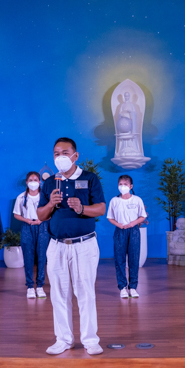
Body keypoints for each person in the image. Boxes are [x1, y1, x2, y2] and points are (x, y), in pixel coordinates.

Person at [37, 138, 106, 355]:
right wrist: (50, 203)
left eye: (65, 153)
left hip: (84, 245)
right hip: (57, 245)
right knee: (59, 294)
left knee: (85, 292)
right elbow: (40, 215)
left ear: (76, 156)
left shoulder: (89, 178)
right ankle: (63, 339)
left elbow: (101, 209)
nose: (60, 157)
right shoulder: (49, 183)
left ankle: (90, 340)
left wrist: (82, 208)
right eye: (56, 153)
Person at [106, 175, 147, 298]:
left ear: (131, 186)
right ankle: (122, 287)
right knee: (120, 260)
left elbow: (142, 216)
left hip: (133, 231)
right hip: (120, 231)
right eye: (120, 184)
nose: (122, 186)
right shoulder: (114, 201)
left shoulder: (137, 200)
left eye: (125, 184)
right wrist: (119, 224)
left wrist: (132, 223)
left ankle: (133, 287)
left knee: (134, 259)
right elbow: (110, 217)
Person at [13, 171, 50, 299]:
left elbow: (51, 212)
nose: (33, 182)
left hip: (42, 227)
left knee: (42, 257)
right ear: (26, 182)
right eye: (30, 180)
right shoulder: (21, 197)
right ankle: (30, 286)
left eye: (36, 179)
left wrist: (42, 220)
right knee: (28, 257)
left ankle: (40, 286)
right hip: (27, 227)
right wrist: (27, 220)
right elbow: (16, 214)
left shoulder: (45, 197)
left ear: (40, 182)